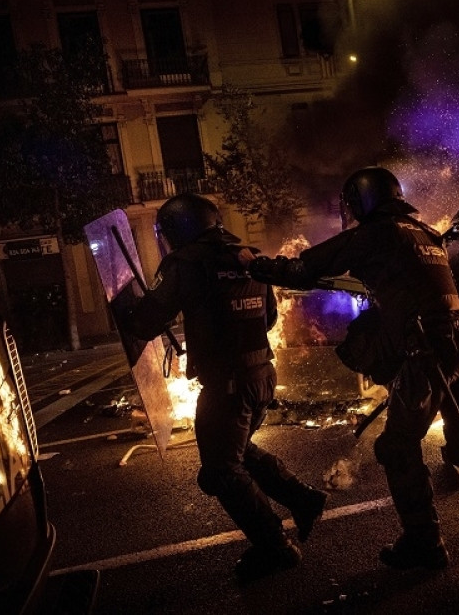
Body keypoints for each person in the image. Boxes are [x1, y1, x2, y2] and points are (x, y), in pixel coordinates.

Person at [243, 166, 459, 570]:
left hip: (429, 352)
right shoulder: (423, 233)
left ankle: (424, 544)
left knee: (397, 447)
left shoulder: (378, 233)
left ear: (363, 201)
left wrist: (257, 265)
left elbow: (304, 270)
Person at [121, 193, 328, 581]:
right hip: (261, 375)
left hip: (227, 385)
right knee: (238, 452)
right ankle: (303, 499)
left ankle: (275, 546)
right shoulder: (247, 256)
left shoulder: (184, 263)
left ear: (177, 229)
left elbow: (145, 321)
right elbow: (268, 319)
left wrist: (125, 309)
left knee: (220, 471)